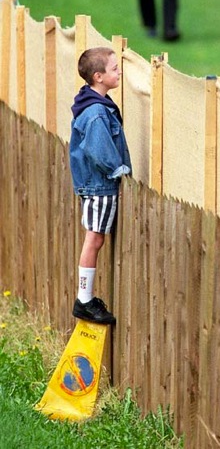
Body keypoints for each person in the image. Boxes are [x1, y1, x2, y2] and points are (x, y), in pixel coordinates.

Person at [70, 47, 132, 325]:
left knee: (94, 238)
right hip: (100, 185)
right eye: (114, 68)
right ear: (99, 76)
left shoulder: (93, 103)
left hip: (94, 185)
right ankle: (84, 300)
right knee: (94, 239)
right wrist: (118, 169)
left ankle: (85, 297)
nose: (119, 72)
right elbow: (98, 147)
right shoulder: (96, 111)